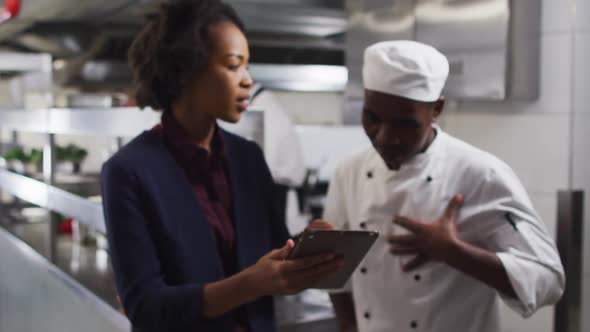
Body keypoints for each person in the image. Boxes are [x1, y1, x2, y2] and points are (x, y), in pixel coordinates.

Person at [101, 1, 342, 331]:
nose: (248, 81)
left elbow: (270, 251)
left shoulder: (247, 157)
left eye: (247, 66)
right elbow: (145, 307)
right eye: (233, 65)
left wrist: (304, 246)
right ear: (187, 69)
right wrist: (250, 284)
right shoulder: (129, 171)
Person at [324, 40, 565, 332]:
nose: (385, 137)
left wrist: (454, 252)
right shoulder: (350, 170)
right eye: (372, 119)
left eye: (404, 123)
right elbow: (338, 272)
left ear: (436, 109)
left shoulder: (480, 174)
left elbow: (548, 280)